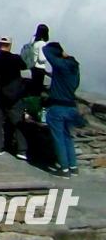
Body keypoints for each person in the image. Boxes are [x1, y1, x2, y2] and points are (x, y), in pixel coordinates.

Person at [42, 41, 83, 176]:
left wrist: (59, 52)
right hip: (71, 108)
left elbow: (46, 50)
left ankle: (64, 169)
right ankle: (73, 167)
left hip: (58, 107)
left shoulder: (61, 65)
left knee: (58, 137)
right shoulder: (75, 69)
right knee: (67, 137)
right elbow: (76, 85)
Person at [0, 36, 27, 157]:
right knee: (18, 120)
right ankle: (22, 150)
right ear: (10, 45)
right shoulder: (16, 59)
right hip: (15, 94)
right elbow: (25, 66)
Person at [22, 24, 51, 90]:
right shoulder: (42, 43)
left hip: (33, 67)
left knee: (34, 87)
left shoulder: (33, 43)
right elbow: (41, 59)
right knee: (38, 88)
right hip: (40, 69)